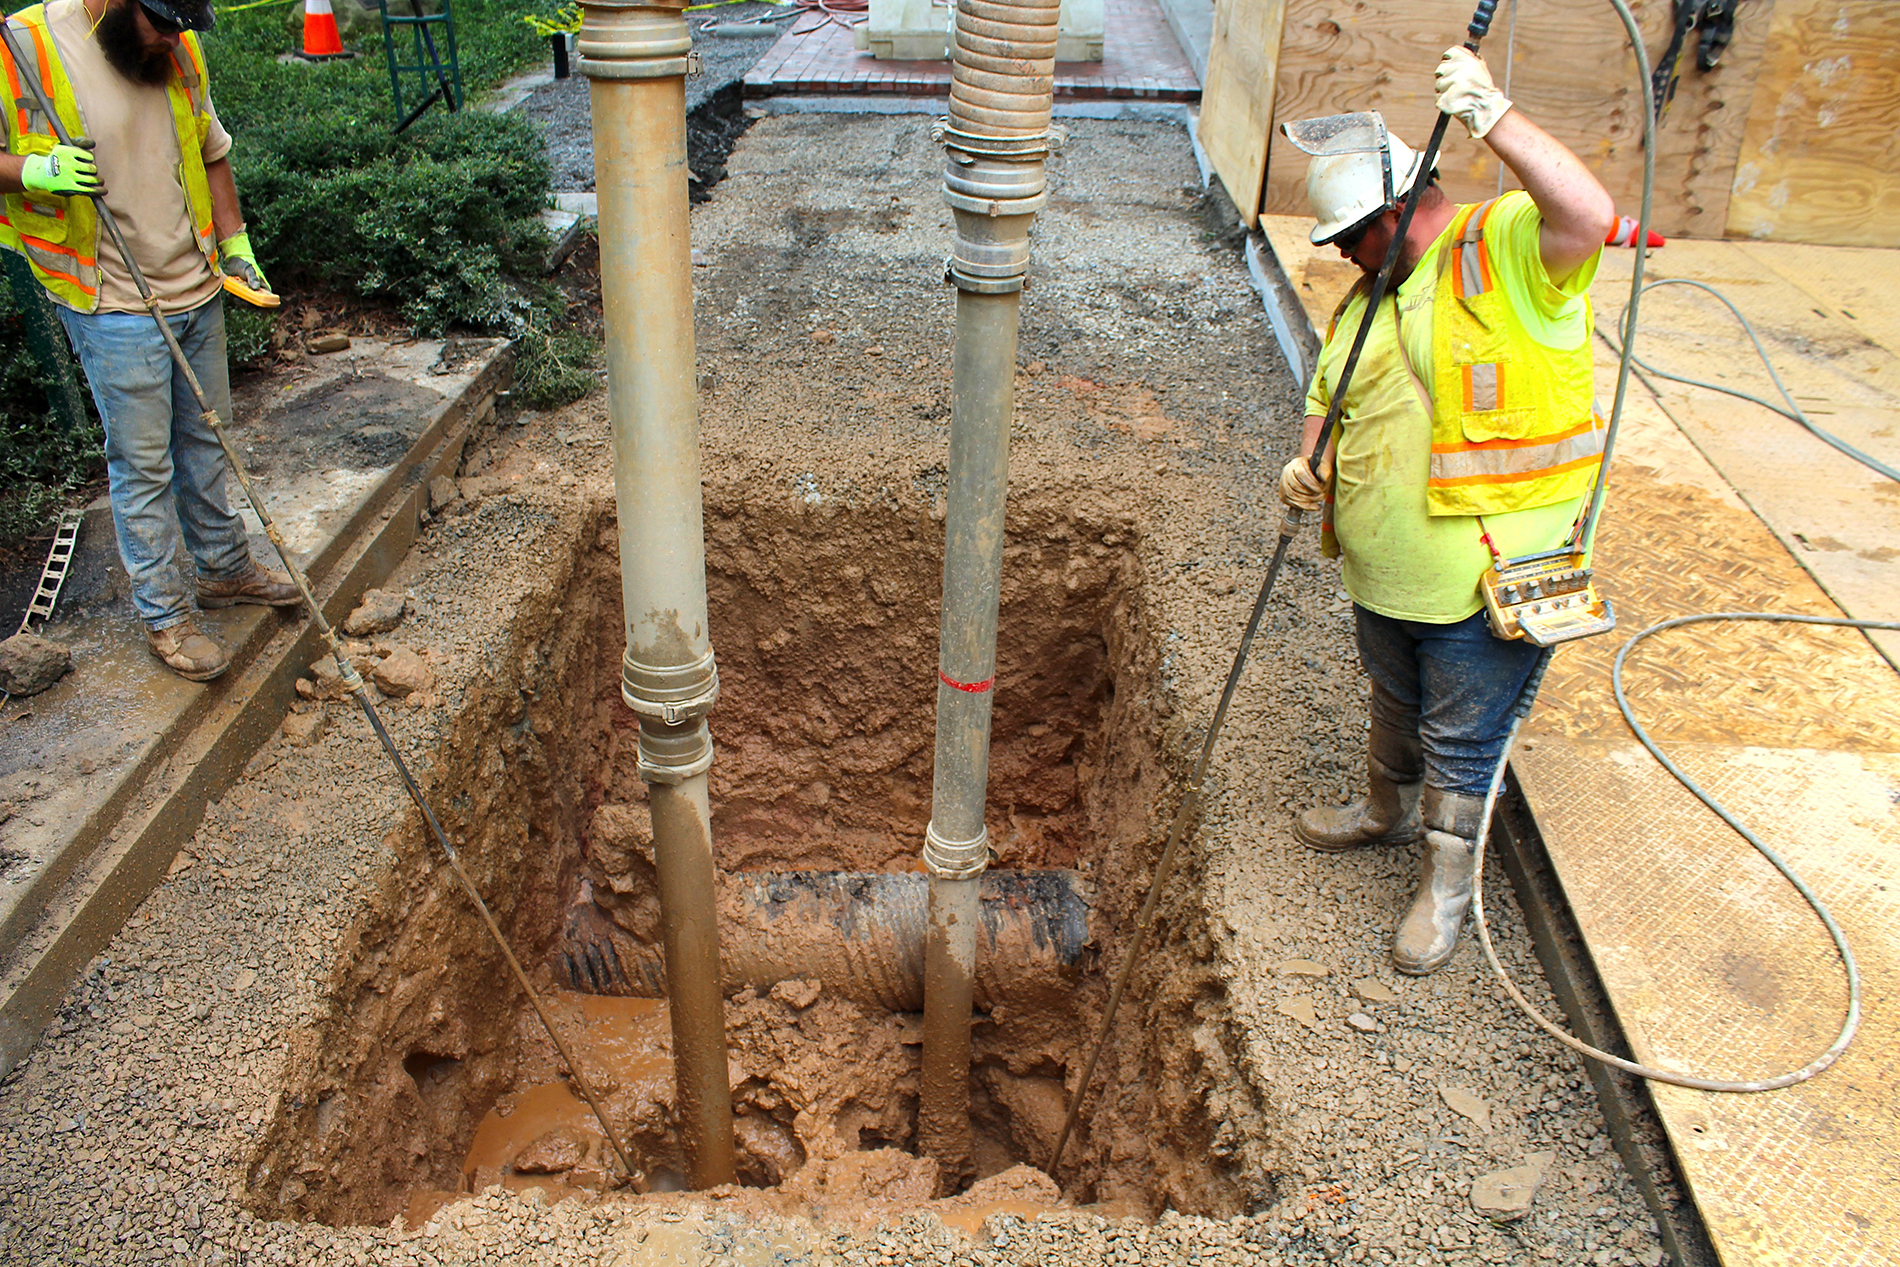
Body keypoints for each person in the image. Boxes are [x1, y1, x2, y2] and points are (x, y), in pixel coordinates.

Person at [1279, 49, 1615, 975]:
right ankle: (1384, 810)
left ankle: (1446, 887)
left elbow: (1588, 216)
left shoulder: (1503, 253)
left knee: (1461, 738)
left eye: (1352, 237)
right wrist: (1310, 462)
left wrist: (1494, 119)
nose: (1343, 255)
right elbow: (1330, 397)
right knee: (1393, 699)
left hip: (1480, 577)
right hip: (1383, 570)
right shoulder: (1368, 298)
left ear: (1396, 212)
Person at [0, 0, 296, 683]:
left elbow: (211, 150)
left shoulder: (177, 49)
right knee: (143, 467)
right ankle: (165, 617)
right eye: (161, 22)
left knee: (206, 439)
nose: (173, 38)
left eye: (183, 26)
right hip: (113, 301)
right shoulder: (25, 47)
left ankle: (224, 570)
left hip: (194, 283)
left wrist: (236, 244)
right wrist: (31, 171)